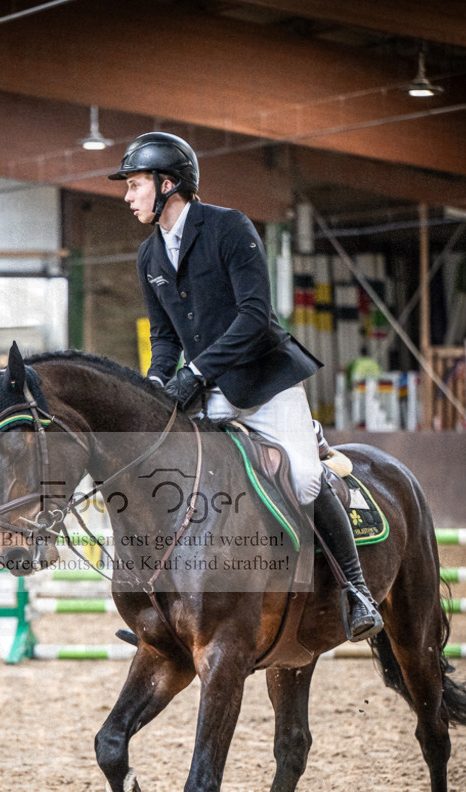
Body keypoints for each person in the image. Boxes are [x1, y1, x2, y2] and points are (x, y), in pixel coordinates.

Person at [108, 132, 382, 641]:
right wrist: (155, 384)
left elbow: (254, 316)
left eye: (135, 184)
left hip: (264, 382)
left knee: (304, 479)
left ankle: (355, 589)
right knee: (166, 477)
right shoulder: (149, 256)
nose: (127, 196)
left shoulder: (229, 227)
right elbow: (164, 338)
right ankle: (162, 606)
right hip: (206, 390)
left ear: (168, 185)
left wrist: (196, 372)